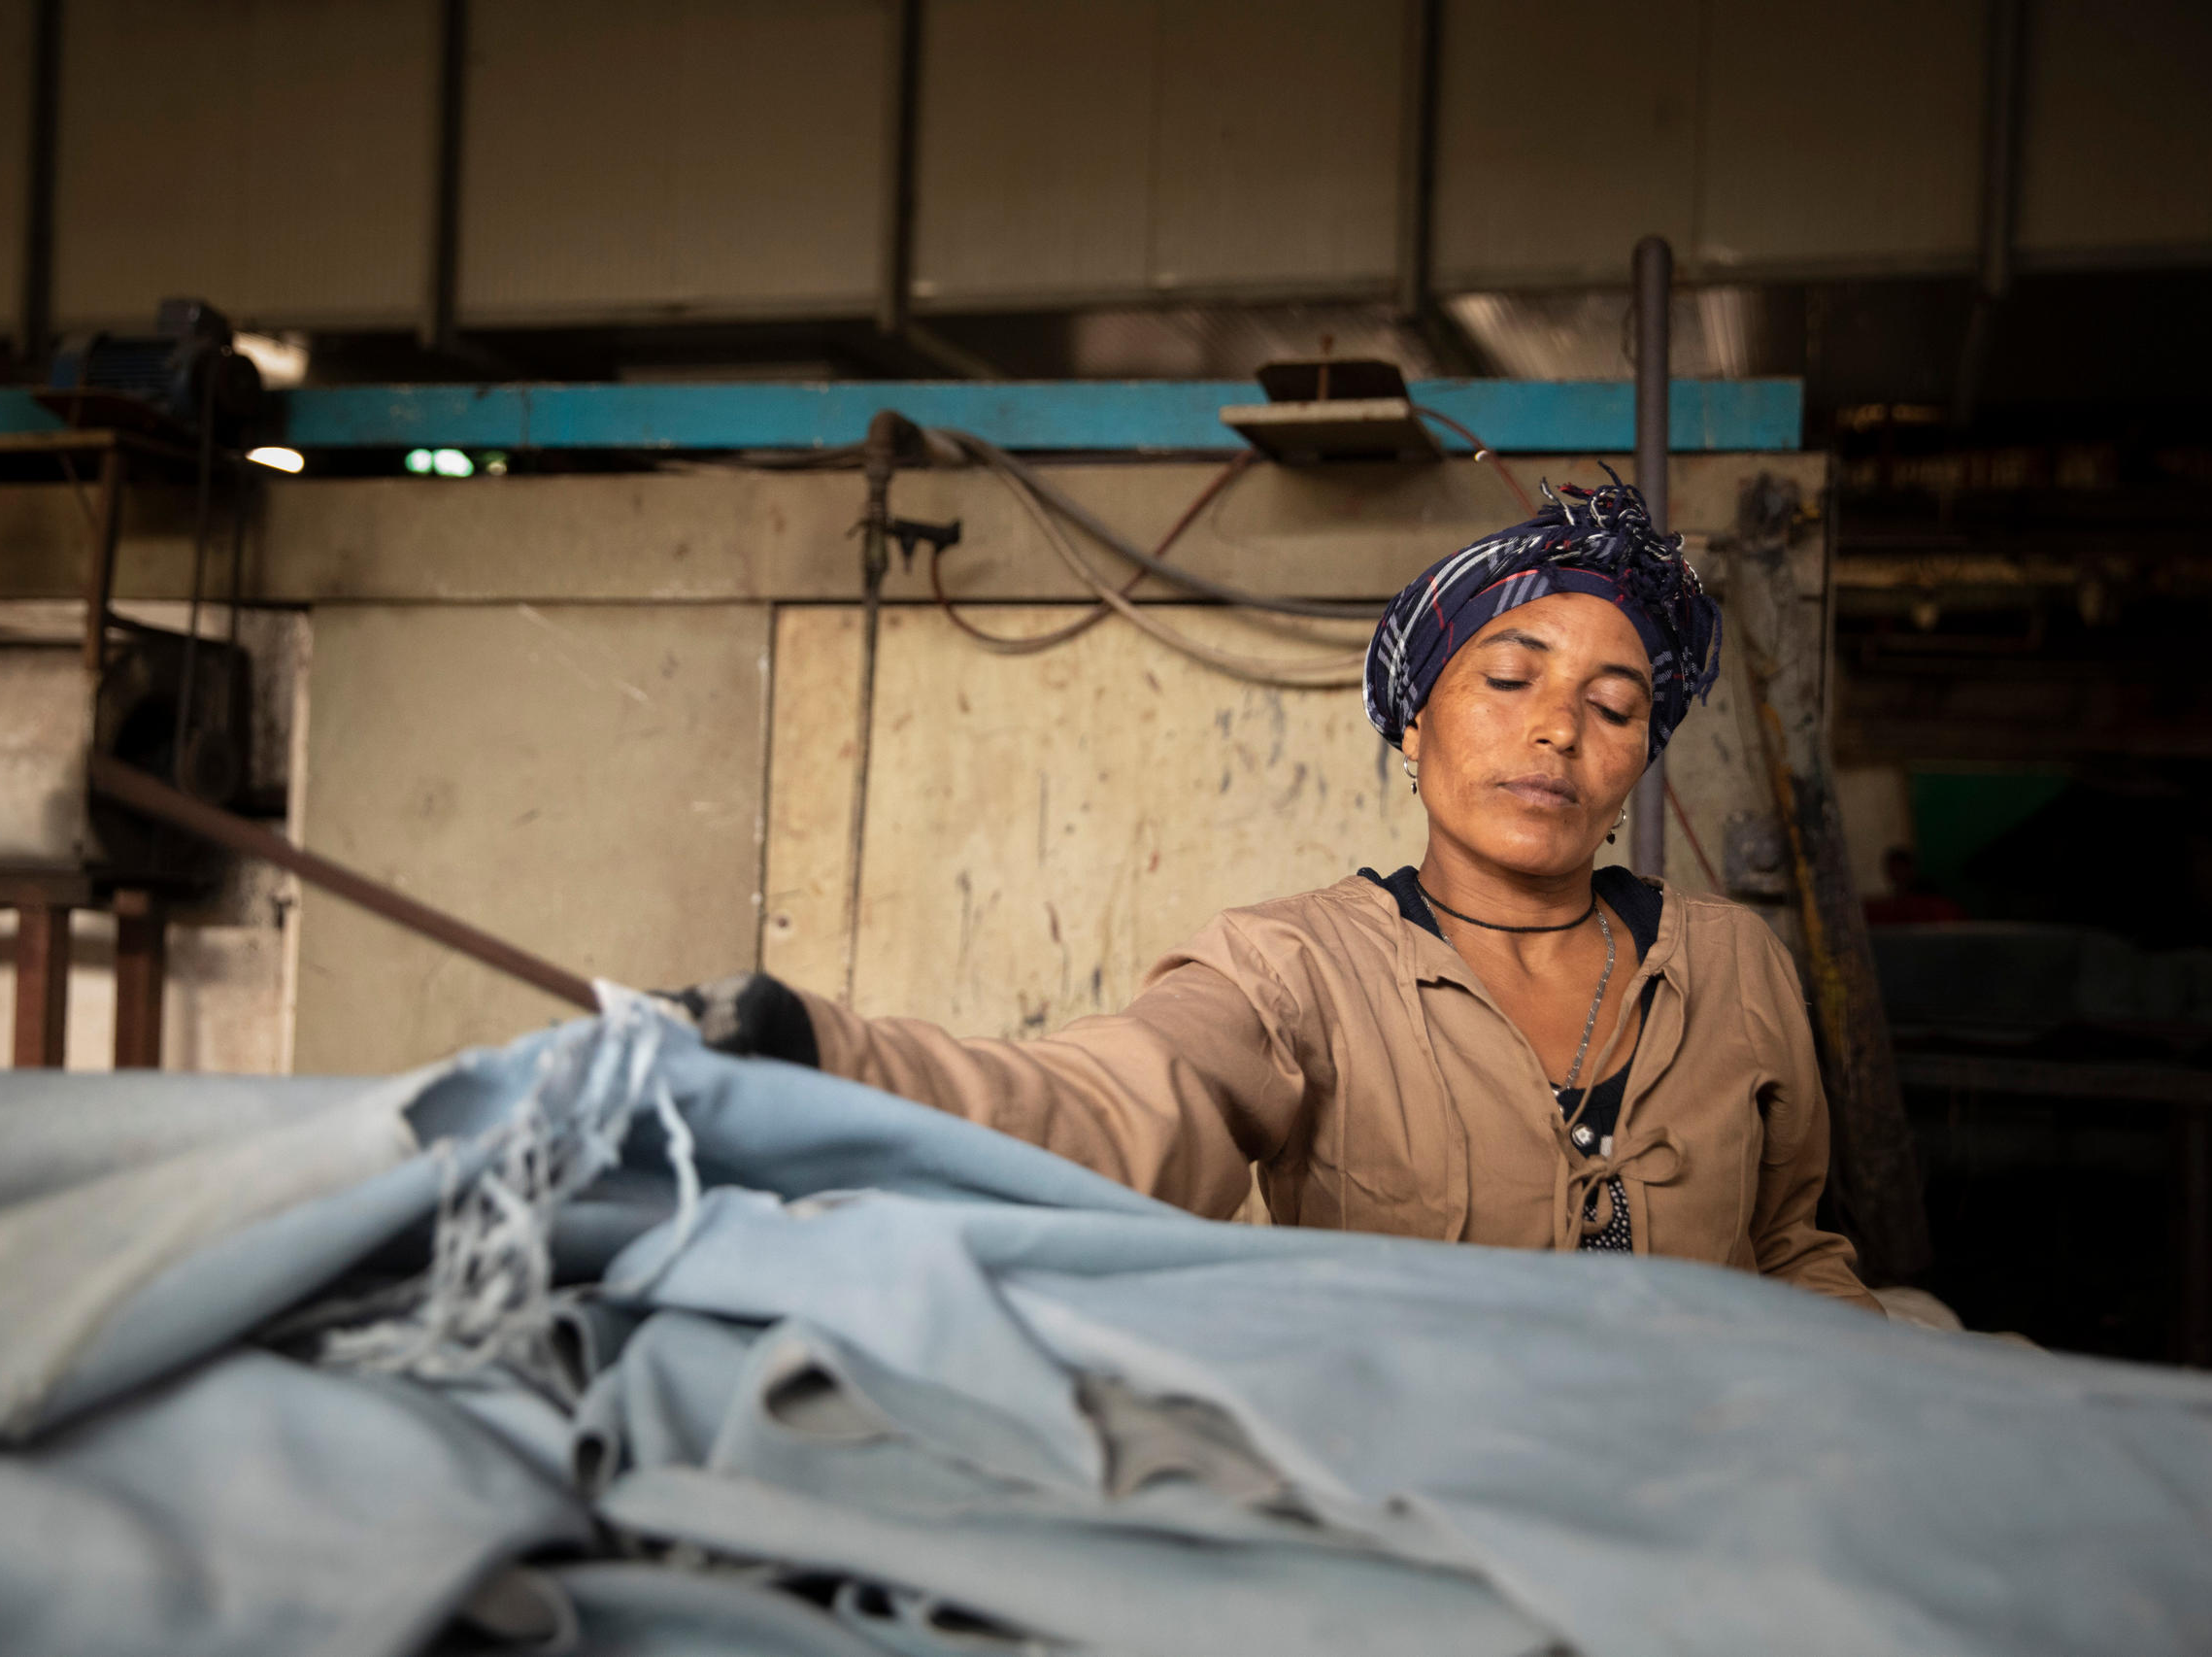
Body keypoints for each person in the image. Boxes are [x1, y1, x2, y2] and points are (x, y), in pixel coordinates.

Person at [675, 477, 1879, 1310]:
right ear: (1413, 722)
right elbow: (1114, 1103)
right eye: (1508, 679)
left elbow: (1790, 1246)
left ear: (1635, 759)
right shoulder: (1292, 967)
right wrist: (824, 1058)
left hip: (1713, 1496)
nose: (1557, 728)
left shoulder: (1730, 966)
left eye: (1615, 707)